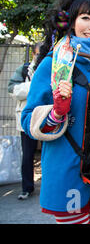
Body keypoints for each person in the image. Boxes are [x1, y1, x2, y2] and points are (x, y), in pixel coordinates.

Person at [20, 0, 90, 224]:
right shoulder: (54, 63)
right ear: (71, 20)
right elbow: (28, 120)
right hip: (67, 165)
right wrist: (56, 112)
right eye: (86, 17)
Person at [8, 42, 42, 200]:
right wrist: (34, 86)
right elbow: (11, 89)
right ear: (33, 54)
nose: (40, 57)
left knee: (49, 154)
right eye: (38, 54)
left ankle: (49, 186)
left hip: (46, 119)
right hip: (27, 120)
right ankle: (27, 188)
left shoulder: (52, 68)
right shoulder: (23, 70)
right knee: (27, 155)